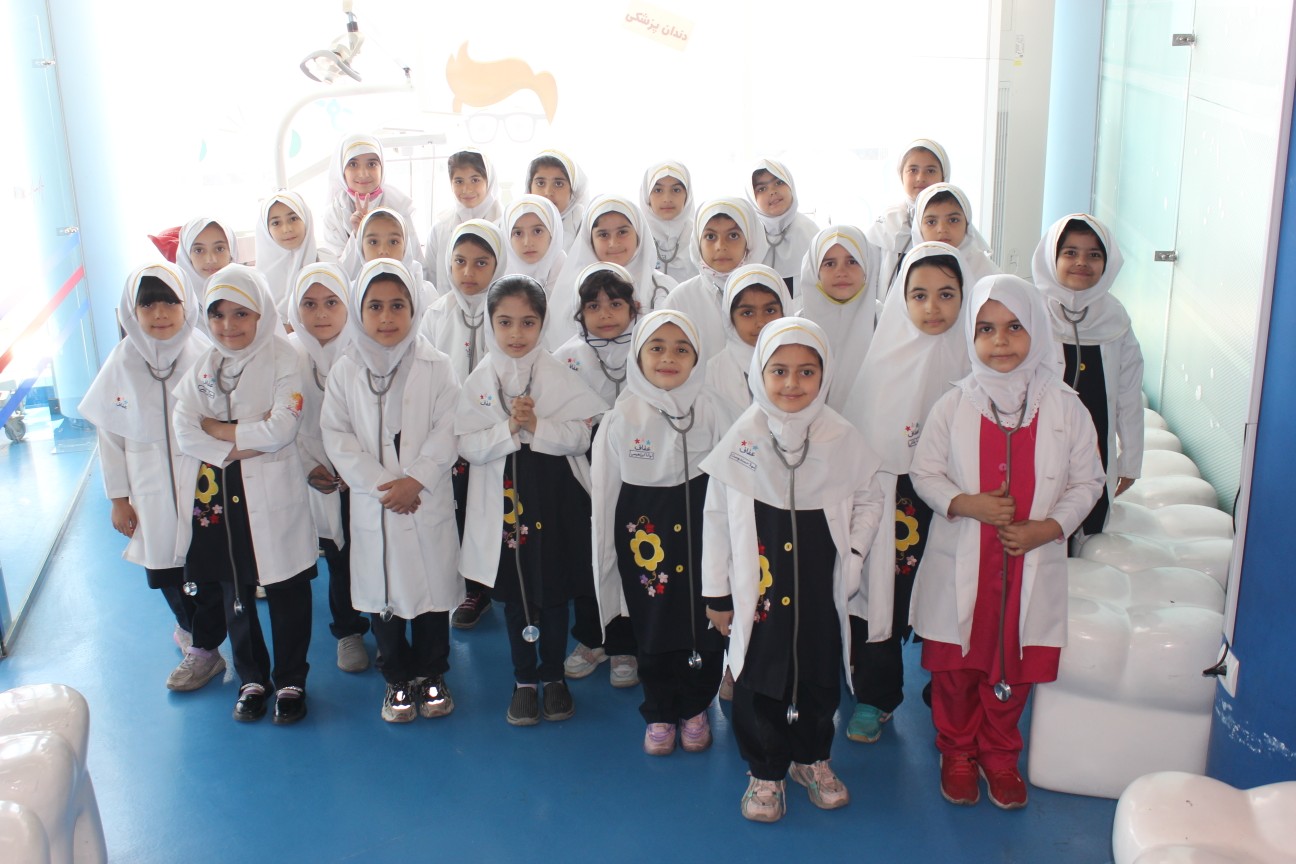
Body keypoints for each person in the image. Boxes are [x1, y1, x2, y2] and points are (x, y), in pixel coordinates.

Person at [909, 274, 1104, 809]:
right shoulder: (953, 405)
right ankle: (956, 750)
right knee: (956, 669)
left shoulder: (1065, 406)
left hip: (1028, 562)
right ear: (970, 337)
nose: (1000, 341)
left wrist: (1050, 527)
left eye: (1015, 327)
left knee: (1015, 668)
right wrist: (965, 503)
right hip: (964, 559)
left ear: (1037, 330)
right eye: (986, 329)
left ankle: (999, 754)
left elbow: (1089, 481)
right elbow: (924, 472)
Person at [702, 318, 885, 823]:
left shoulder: (842, 436)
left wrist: (854, 553)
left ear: (825, 376)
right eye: (779, 370)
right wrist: (717, 595)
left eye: (807, 371)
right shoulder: (742, 439)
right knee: (759, 678)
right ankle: (765, 770)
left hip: (819, 590)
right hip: (760, 592)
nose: (792, 383)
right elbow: (716, 520)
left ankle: (811, 757)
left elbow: (871, 499)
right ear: (760, 373)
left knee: (820, 677)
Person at [455, 275, 607, 726]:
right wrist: (509, 429)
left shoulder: (559, 376)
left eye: (528, 322)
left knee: (555, 592)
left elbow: (581, 436)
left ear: (543, 323)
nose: (516, 334)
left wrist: (537, 426)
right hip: (506, 505)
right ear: (490, 323)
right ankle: (524, 679)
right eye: (505, 322)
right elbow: (466, 444)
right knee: (516, 594)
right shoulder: (479, 381)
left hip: (555, 500)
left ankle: (553, 675)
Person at [173, 264, 319, 725]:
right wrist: (241, 442)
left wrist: (220, 431)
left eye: (241, 313)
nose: (228, 326)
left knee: (287, 589)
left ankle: (291, 680)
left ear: (262, 314)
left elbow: (282, 429)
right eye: (217, 315)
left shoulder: (284, 357)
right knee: (234, 590)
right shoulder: (206, 364)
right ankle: (252, 679)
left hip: (274, 492)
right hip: (221, 491)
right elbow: (183, 429)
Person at [322, 259, 463, 723]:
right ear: (359, 311)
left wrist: (415, 480)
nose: (387, 317)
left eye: (398, 305)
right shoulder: (345, 370)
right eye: (375, 306)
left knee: (431, 599)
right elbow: (337, 436)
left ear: (414, 308)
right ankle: (397, 678)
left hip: (424, 497)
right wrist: (387, 487)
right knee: (384, 598)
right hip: (378, 504)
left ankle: (432, 673)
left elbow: (449, 428)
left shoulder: (437, 366)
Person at [841, 242, 970, 744]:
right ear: (901, 298)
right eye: (919, 295)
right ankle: (876, 695)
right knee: (883, 599)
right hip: (896, 499)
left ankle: (950, 689)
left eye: (946, 294)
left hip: (961, 503)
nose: (933, 307)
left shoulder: (977, 362)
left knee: (952, 596)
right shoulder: (883, 363)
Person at [79, 263, 227, 691]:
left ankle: (205, 650)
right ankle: (191, 629)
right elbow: (110, 437)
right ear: (132, 310)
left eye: (169, 302)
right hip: (148, 488)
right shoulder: (121, 362)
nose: (159, 313)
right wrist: (118, 498)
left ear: (186, 305)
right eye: (147, 304)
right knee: (165, 570)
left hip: (202, 484)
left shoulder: (205, 354)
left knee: (208, 568)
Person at [591, 310, 726, 754]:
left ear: (697, 358)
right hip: (646, 543)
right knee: (653, 624)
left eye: (681, 349)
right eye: (657, 348)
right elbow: (606, 493)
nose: (668, 358)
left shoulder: (713, 410)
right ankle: (660, 710)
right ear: (639, 355)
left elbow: (731, 484)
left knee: (705, 627)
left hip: (702, 537)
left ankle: (695, 706)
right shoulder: (622, 417)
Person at [554, 262, 641, 687]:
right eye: (593, 305)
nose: (605, 313)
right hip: (581, 471)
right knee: (587, 555)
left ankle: (627, 644)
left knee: (633, 554)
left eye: (615, 303)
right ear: (579, 311)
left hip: (637, 470)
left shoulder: (649, 346)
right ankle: (592, 637)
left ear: (633, 307)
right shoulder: (566, 358)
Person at [1032, 213, 1143, 540]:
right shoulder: (1030, 311)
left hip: (1095, 444)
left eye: (1094, 254)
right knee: (1039, 522)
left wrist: (1130, 461)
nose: (1082, 262)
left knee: (1090, 528)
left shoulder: (1116, 319)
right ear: (1052, 257)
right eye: (1070, 252)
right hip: (1038, 441)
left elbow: (1128, 394)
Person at [286, 262, 371, 674]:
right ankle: (348, 630)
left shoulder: (367, 349)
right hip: (316, 472)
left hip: (364, 472)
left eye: (332, 302)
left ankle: (388, 618)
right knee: (337, 555)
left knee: (371, 547)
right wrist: (308, 466)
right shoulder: (288, 355)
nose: (321, 314)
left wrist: (355, 466)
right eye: (309, 304)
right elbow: (281, 421)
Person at [422, 219, 505, 630]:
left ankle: (495, 583)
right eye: (459, 261)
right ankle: (468, 587)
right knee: (456, 508)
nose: (468, 272)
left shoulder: (506, 310)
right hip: (447, 434)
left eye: (481, 262)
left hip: (494, 433)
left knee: (492, 510)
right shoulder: (436, 314)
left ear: (497, 264)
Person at [548, 195, 677, 347]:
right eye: (603, 235)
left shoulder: (663, 287)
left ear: (638, 234)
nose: (613, 243)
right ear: (590, 240)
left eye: (622, 232)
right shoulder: (571, 290)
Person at [661, 198, 769, 365]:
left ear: (750, 240)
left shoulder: (771, 293)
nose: (720, 246)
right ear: (698, 242)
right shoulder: (680, 300)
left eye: (733, 235)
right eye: (710, 236)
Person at [795, 225, 884, 411]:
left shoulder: (883, 320)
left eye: (852, 261)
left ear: (867, 265)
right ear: (814, 270)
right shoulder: (798, 326)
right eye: (829, 264)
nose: (841, 272)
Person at [321, 134, 421, 278]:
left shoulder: (398, 205)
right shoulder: (334, 213)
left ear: (382, 167)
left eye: (372, 164)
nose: (363, 173)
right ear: (342, 169)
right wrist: (357, 234)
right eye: (353, 165)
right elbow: (338, 274)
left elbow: (414, 262)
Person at [704, 263, 790, 426]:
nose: (760, 323)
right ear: (730, 318)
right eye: (747, 313)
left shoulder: (802, 365)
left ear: (785, 312)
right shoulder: (712, 374)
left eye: (770, 310)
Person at [866, 138, 951, 293]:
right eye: (913, 170)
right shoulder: (887, 223)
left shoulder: (955, 223)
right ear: (901, 175)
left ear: (943, 176)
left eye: (930, 170)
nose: (921, 178)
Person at [425, 149, 501, 292]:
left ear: (489, 181)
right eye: (459, 181)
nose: (466, 189)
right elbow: (431, 278)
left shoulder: (504, 225)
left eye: (475, 180)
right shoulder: (440, 228)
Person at [746, 158, 819, 293]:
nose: (772, 192)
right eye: (762, 189)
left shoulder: (811, 232)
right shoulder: (748, 236)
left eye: (779, 183)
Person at [907, 183, 998, 291]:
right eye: (931, 222)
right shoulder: (910, 270)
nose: (942, 229)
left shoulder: (987, 273)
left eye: (953, 220)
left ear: (967, 225)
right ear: (919, 228)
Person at [255, 190, 320, 320]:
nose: (287, 229)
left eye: (293, 218)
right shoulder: (256, 281)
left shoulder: (327, 264)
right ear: (266, 230)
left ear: (305, 218)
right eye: (276, 223)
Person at [500, 195, 567, 314]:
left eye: (537, 231)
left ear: (552, 232)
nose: (528, 242)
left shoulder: (566, 271)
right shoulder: (498, 273)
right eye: (518, 233)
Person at [640, 161, 698, 283]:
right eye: (658, 190)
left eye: (676, 190)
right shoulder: (636, 234)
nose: (667, 199)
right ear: (647, 195)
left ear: (687, 195)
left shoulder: (700, 235)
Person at [525, 148, 588, 252]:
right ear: (529, 188)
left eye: (558, 184)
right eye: (540, 183)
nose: (548, 192)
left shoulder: (584, 225)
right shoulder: (515, 223)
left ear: (572, 191)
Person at [175, 217, 235, 322]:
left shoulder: (251, 290)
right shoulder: (173, 300)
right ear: (187, 255)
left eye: (219, 249)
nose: (210, 260)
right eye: (199, 250)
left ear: (231, 251)